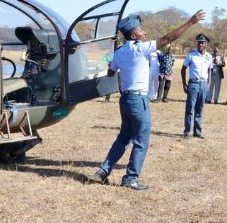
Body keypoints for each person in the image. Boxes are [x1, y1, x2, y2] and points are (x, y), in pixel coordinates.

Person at [91, 11, 204, 190]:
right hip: (138, 100)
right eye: (141, 30)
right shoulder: (140, 48)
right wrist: (191, 22)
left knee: (123, 138)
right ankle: (130, 178)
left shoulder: (120, 52)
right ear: (134, 35)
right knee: (141, 140)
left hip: (125, 100)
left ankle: (103, 171)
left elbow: (111, 72)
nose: (144, 32)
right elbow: (167, 38)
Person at [181, 33, 213, 138]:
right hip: (193, 84)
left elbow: (209, 69)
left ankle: (197, 131)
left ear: (206, 45)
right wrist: (184, 83)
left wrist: (208, 83)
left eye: (202, 43)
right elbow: (183, 69)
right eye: (199, 43)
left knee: (200, 108)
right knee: (190, 109)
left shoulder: (209, 56)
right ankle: (187, 131)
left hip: (203, 84)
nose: (200, 45)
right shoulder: (191, 55)